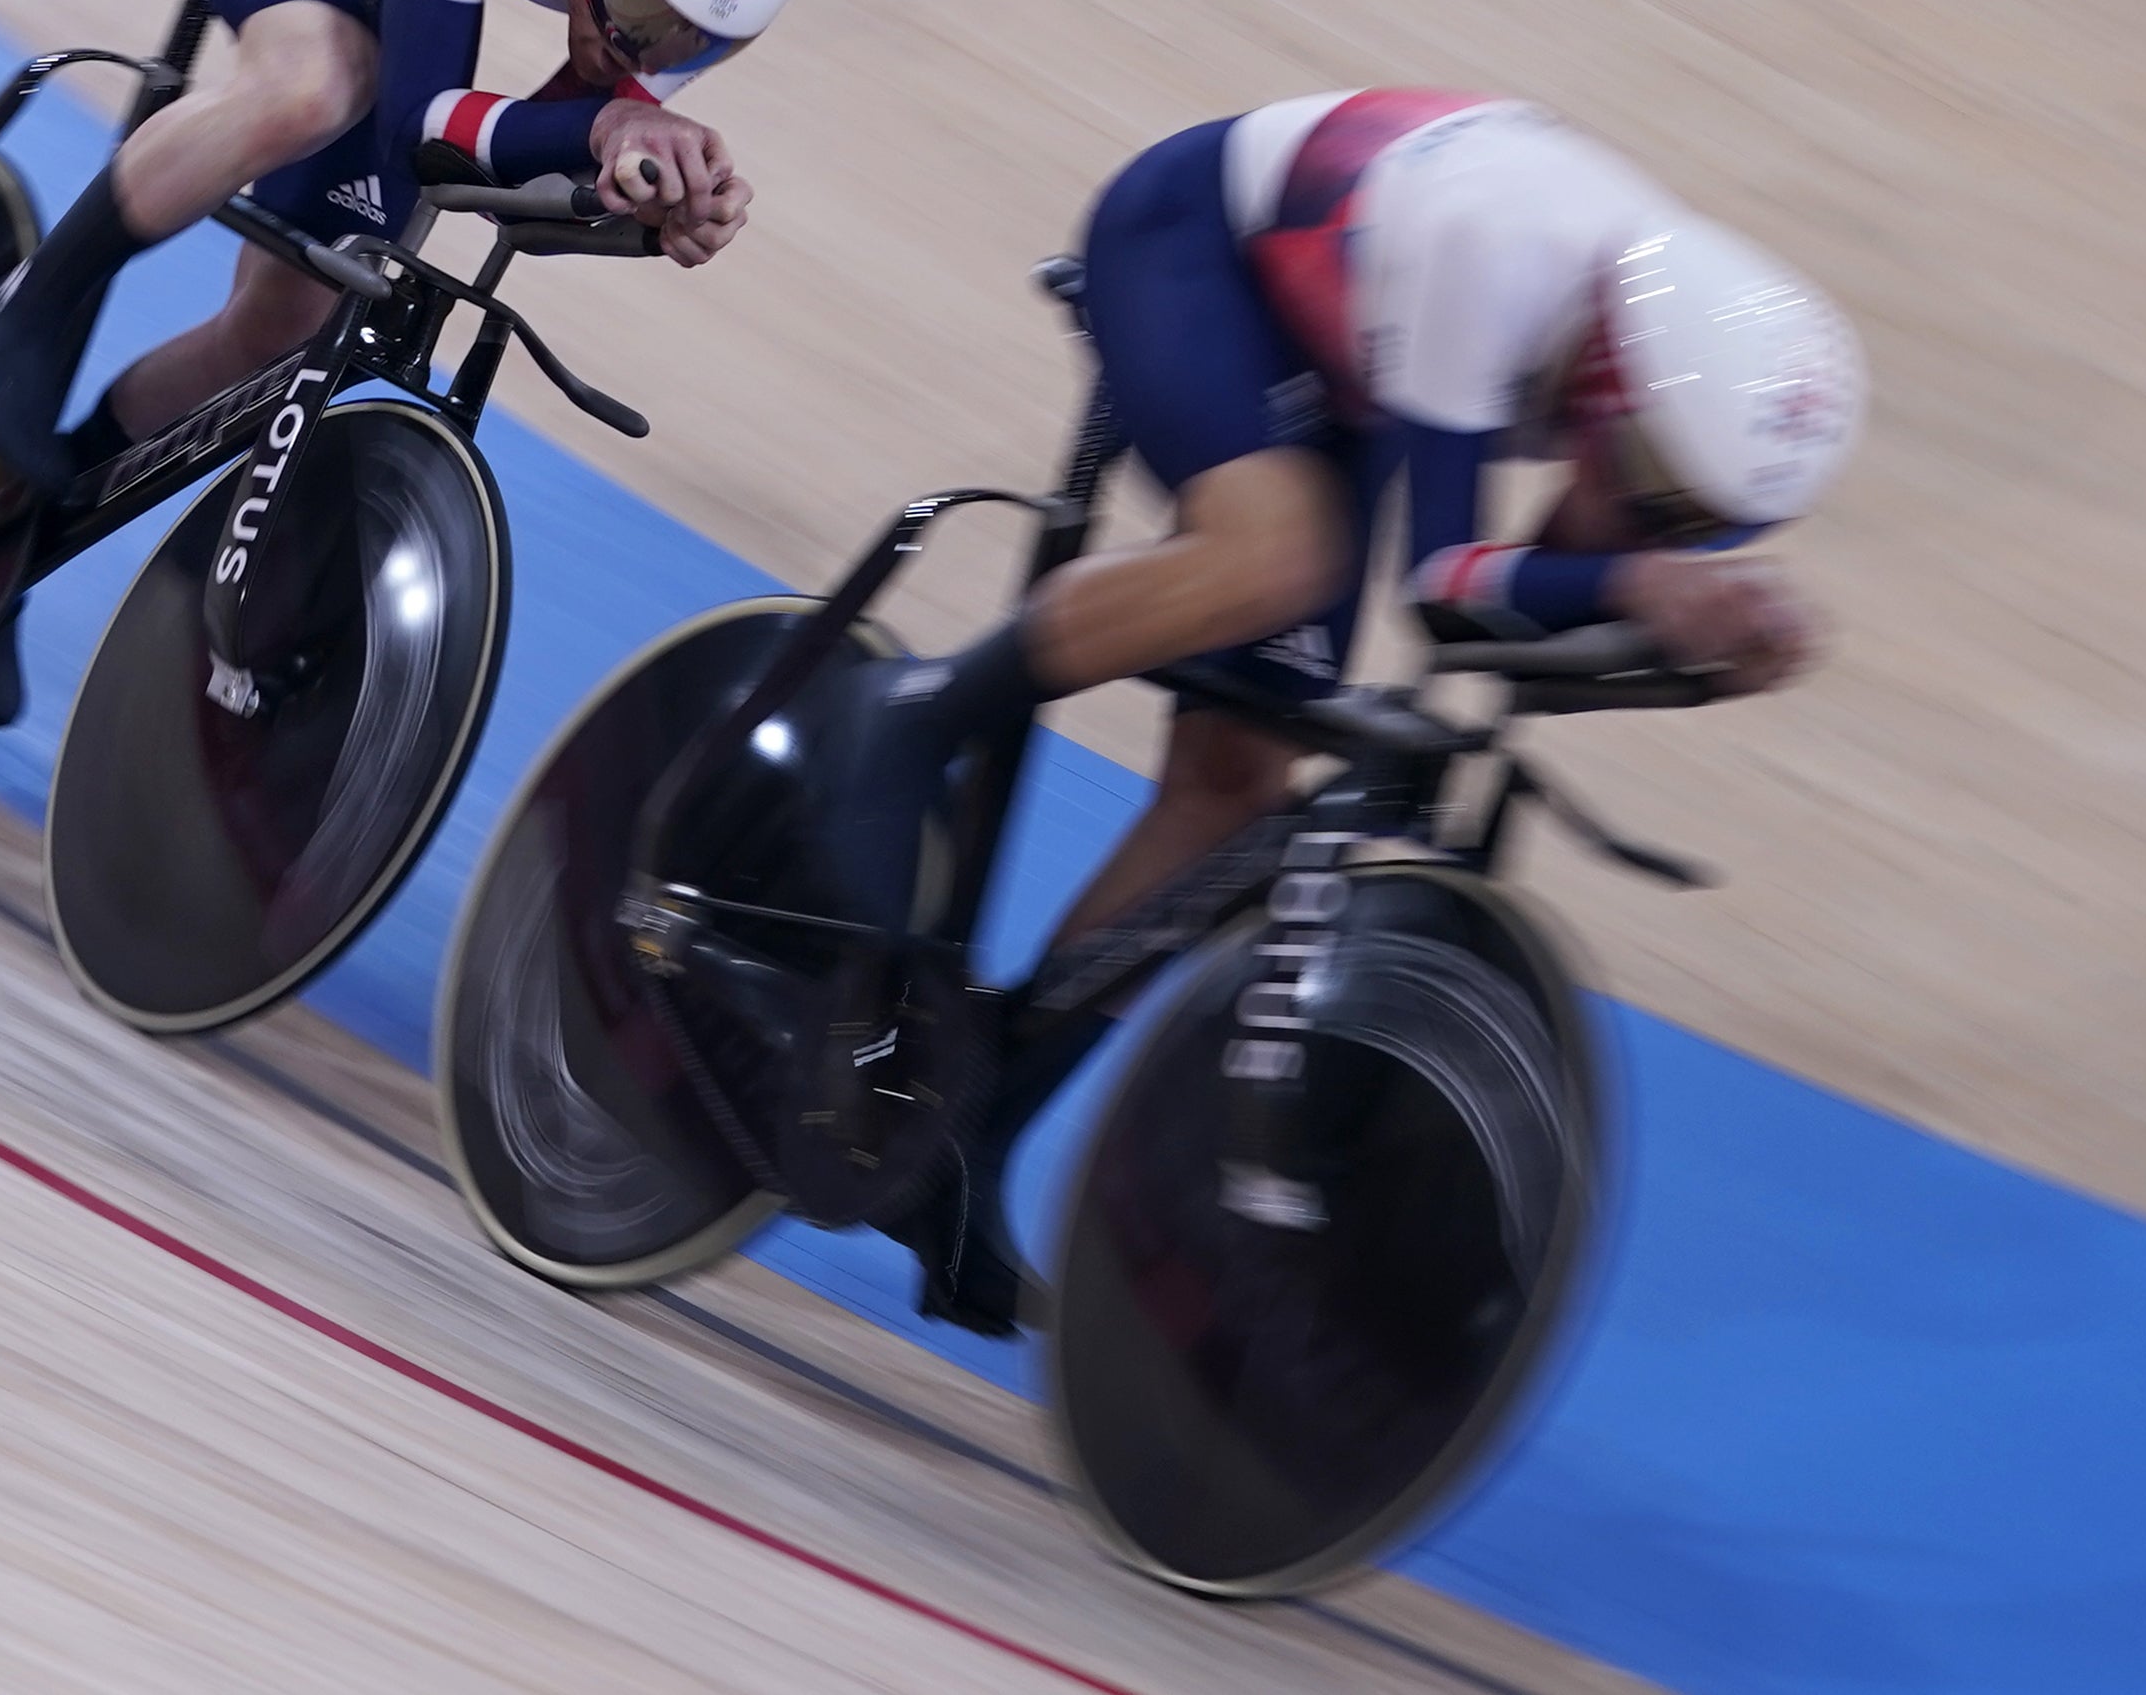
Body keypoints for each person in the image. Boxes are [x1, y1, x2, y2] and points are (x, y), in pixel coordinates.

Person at [799, 87, 1866, 1332]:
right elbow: (1449, 585)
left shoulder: (1664, 365)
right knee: (1280, 556)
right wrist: (1641, 584)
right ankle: (918, 715)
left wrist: (1691, 647)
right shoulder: (1506, 254)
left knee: (1238, 782)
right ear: (1613, 385)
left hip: (1356, 358)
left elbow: (1505, 630)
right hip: (1198, 247)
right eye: (1650, 492)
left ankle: (977, 1123)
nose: (1650, 527)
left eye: (1695, 522)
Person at [0, 0, 811, 724]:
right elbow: (419, 121)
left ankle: (11, 543)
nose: (637, 49)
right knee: (314, 81)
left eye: (681, 46)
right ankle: (26, 317)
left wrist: (643, 209)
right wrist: (605, 127)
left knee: (282, 325)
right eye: (628, 7)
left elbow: (505, 196)